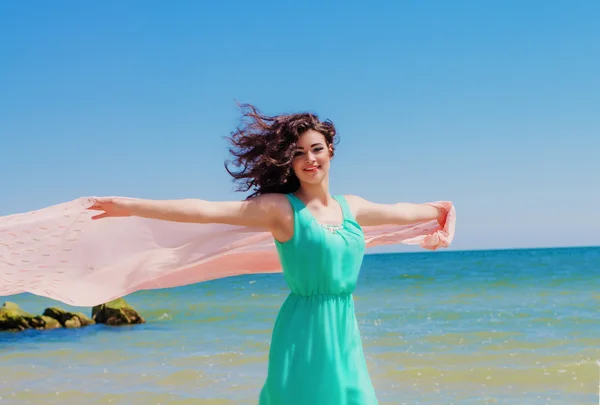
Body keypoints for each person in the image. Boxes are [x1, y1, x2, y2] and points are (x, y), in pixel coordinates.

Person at [86, 104, 452, 404]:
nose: (309, 159)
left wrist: (442, 213)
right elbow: (204, 210)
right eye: (298, 154)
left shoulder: (351, 207)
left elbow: (404, 210)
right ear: (288, 163)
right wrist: (129, 205)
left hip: (343, 326)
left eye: (316, 149)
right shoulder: (281, 209)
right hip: (303, 328)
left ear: (331, 151)